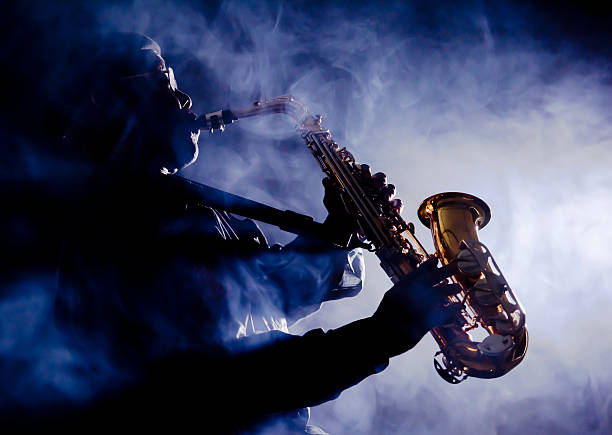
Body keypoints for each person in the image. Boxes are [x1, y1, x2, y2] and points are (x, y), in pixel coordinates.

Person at [13, 33, 461, 433]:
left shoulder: (182, 208)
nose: (186, 97)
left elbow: (270, 299)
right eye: (165, 83)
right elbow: (219, 386)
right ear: (115, 107)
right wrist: (382, 334)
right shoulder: (121, 225)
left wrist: (340, 226)